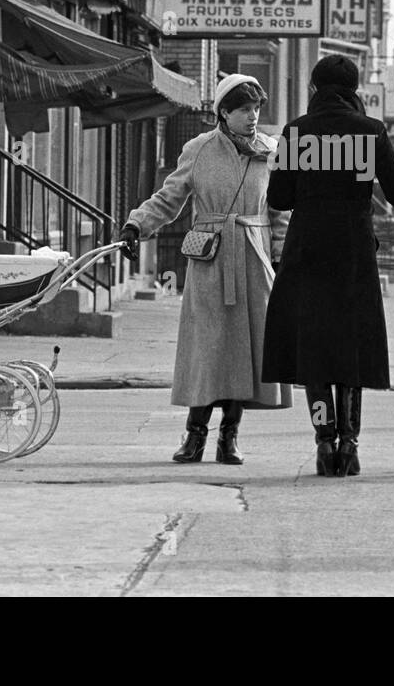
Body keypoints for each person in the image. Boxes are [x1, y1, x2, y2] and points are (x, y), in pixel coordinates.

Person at [263, 55, 394, 478]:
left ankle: (324, 441)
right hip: (353, 252)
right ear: (355, 90)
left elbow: (280, 199)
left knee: (313, 352)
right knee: (350, 351)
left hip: (307, 250)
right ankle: (350, 445)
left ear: (314, 88)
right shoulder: (369, 132)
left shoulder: (296, 133)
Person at [120, 75, 291, 465]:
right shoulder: (198, 149)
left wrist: (279, 259)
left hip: (254, 260)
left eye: (256, 109)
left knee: (246, 352)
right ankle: (195, 434)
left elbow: (280, 213)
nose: (253, 117)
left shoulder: (271, 151)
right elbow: (169, 198)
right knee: (207, 351)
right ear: (223, 113)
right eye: (244, 109)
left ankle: (229, 437)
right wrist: (136, 225)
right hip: (210, 264)